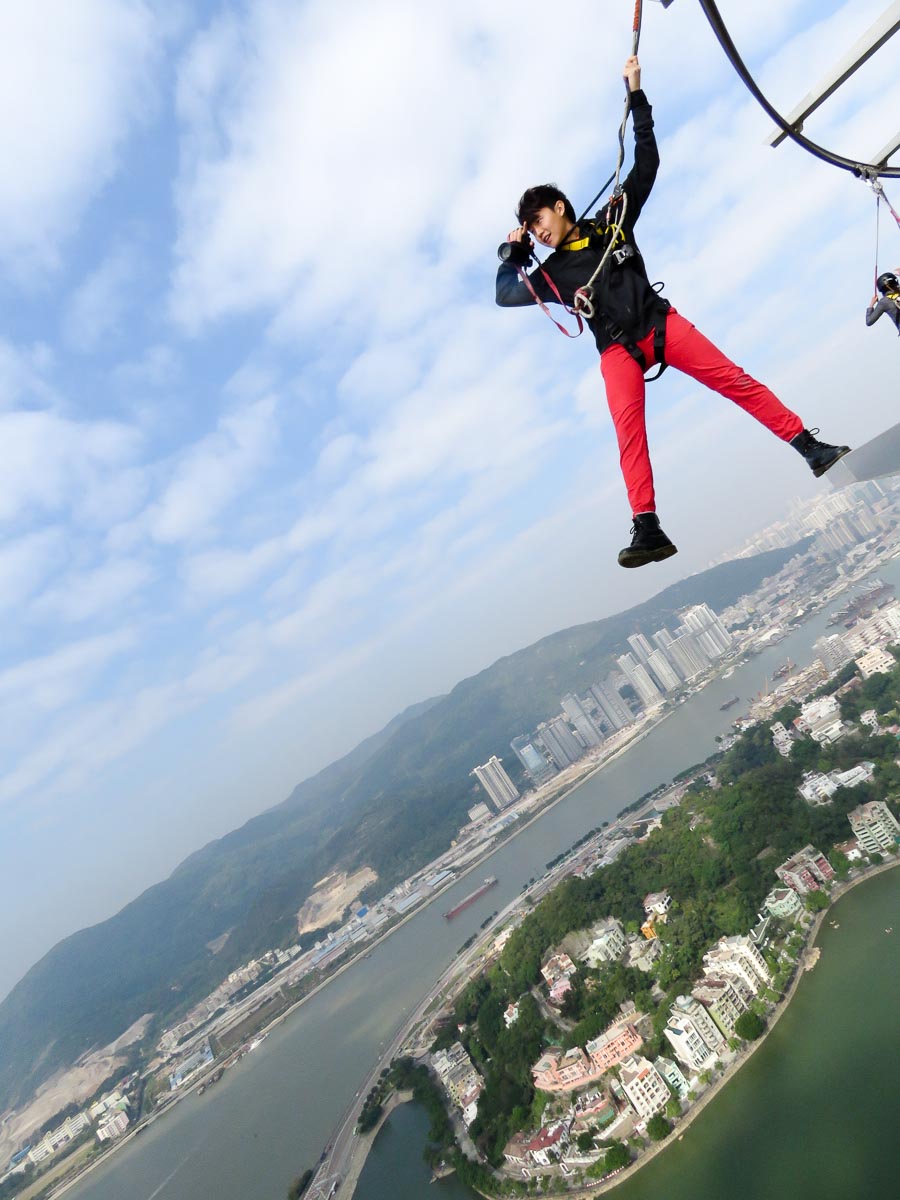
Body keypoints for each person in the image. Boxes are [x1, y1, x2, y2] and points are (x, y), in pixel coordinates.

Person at [495, 56, 850, 569]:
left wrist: (637, 97)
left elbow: (647, 162)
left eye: (538, 219)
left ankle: (809, 446)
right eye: (529, 228)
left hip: (660, 324)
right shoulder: (550, 273)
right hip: (617, 348)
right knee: (628, 433)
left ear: (559, 205)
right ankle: (648, 528)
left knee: (734, 379)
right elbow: (506, 293)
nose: (537, 230)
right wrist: (513, 252)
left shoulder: (613, 220)